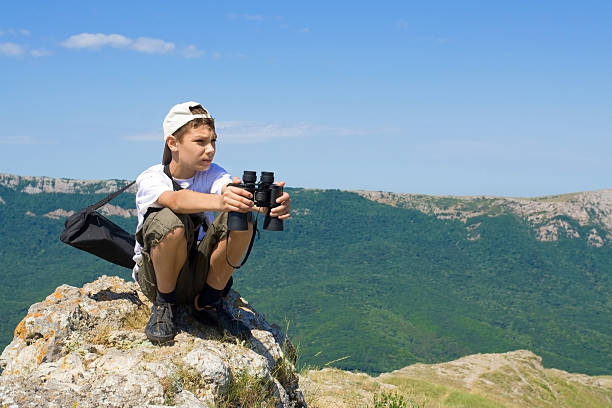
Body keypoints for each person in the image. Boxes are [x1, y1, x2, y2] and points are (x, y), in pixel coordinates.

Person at [132, 101, 291, 345]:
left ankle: (208, 301)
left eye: (213, 141)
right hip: (159, 278)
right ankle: (165, 305)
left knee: (240, 217)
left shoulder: (214, 173)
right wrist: (222, 201)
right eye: (200, 142)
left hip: (200, 273)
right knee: (168, 221)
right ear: (173, 143)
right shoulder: (152, 178)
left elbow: (228, 191)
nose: (210, 150)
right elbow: (176, 200)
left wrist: (269, 204)